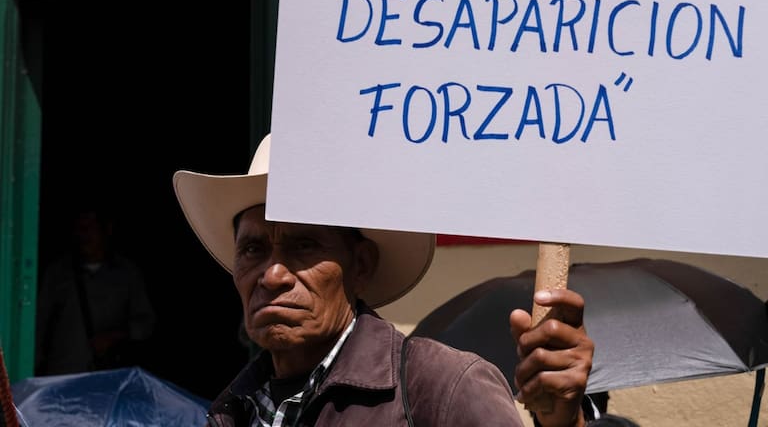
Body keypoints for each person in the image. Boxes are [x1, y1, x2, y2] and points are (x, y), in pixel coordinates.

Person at [173, 134, 595, 426]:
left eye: (303, 246)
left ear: (360, 264)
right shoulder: (233, 408)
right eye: (252, 249)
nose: (273, 274)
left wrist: (564, 423)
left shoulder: (441, 389)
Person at [35, 206, 156, 375]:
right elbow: (38, 323)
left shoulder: (126, 273)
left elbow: (146, 323)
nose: (84, 235)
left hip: (109, 376)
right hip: (63, 373)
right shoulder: (58, 273)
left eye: (90, 227)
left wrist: (114, 336)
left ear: (107, 230)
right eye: (80, 228)